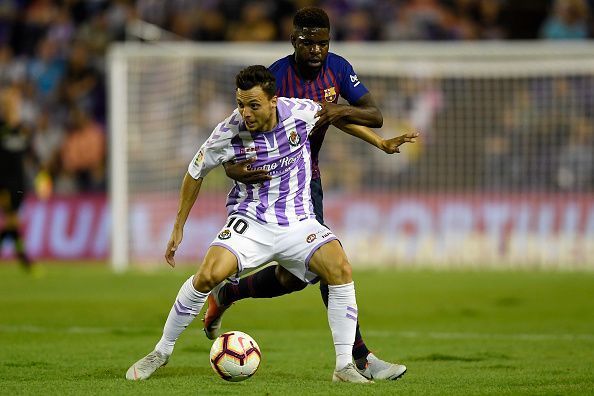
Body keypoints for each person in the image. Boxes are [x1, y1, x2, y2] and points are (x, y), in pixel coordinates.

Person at [125, 65, 414, 383]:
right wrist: (179, 225)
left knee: (340, 268)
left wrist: (380, 142)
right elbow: (195, 172)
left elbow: (337, 117)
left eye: (253, 105)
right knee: (207, 275)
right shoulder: (228, 131)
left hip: (299, 221)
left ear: (273, 100)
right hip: (251, 221)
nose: (245, 113)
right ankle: (161, 352)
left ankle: (344, 366)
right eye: (240, 104)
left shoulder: (300, 112)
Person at [203, 6, 412, 381]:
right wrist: (231, 169)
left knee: (296, 278)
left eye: (322, 43)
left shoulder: (337, 67)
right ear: (293, 41)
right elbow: (238, 137)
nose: (316, 50)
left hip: (305, 181)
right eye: (308, 43)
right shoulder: (276, 79)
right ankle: (359, 359)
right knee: (330, 265)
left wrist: (375, 139)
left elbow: (369, 114)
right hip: (268, 184)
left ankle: (229, 293)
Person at [0, 86, 34, 272]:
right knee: (13, 220)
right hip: (3, 184)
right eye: (11, 103)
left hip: (20, 184)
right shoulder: (1, 129)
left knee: (12, 223)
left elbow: (30, 155)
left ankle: (24, 260)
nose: (15, 106)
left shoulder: (23, 130)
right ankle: (25, 261)